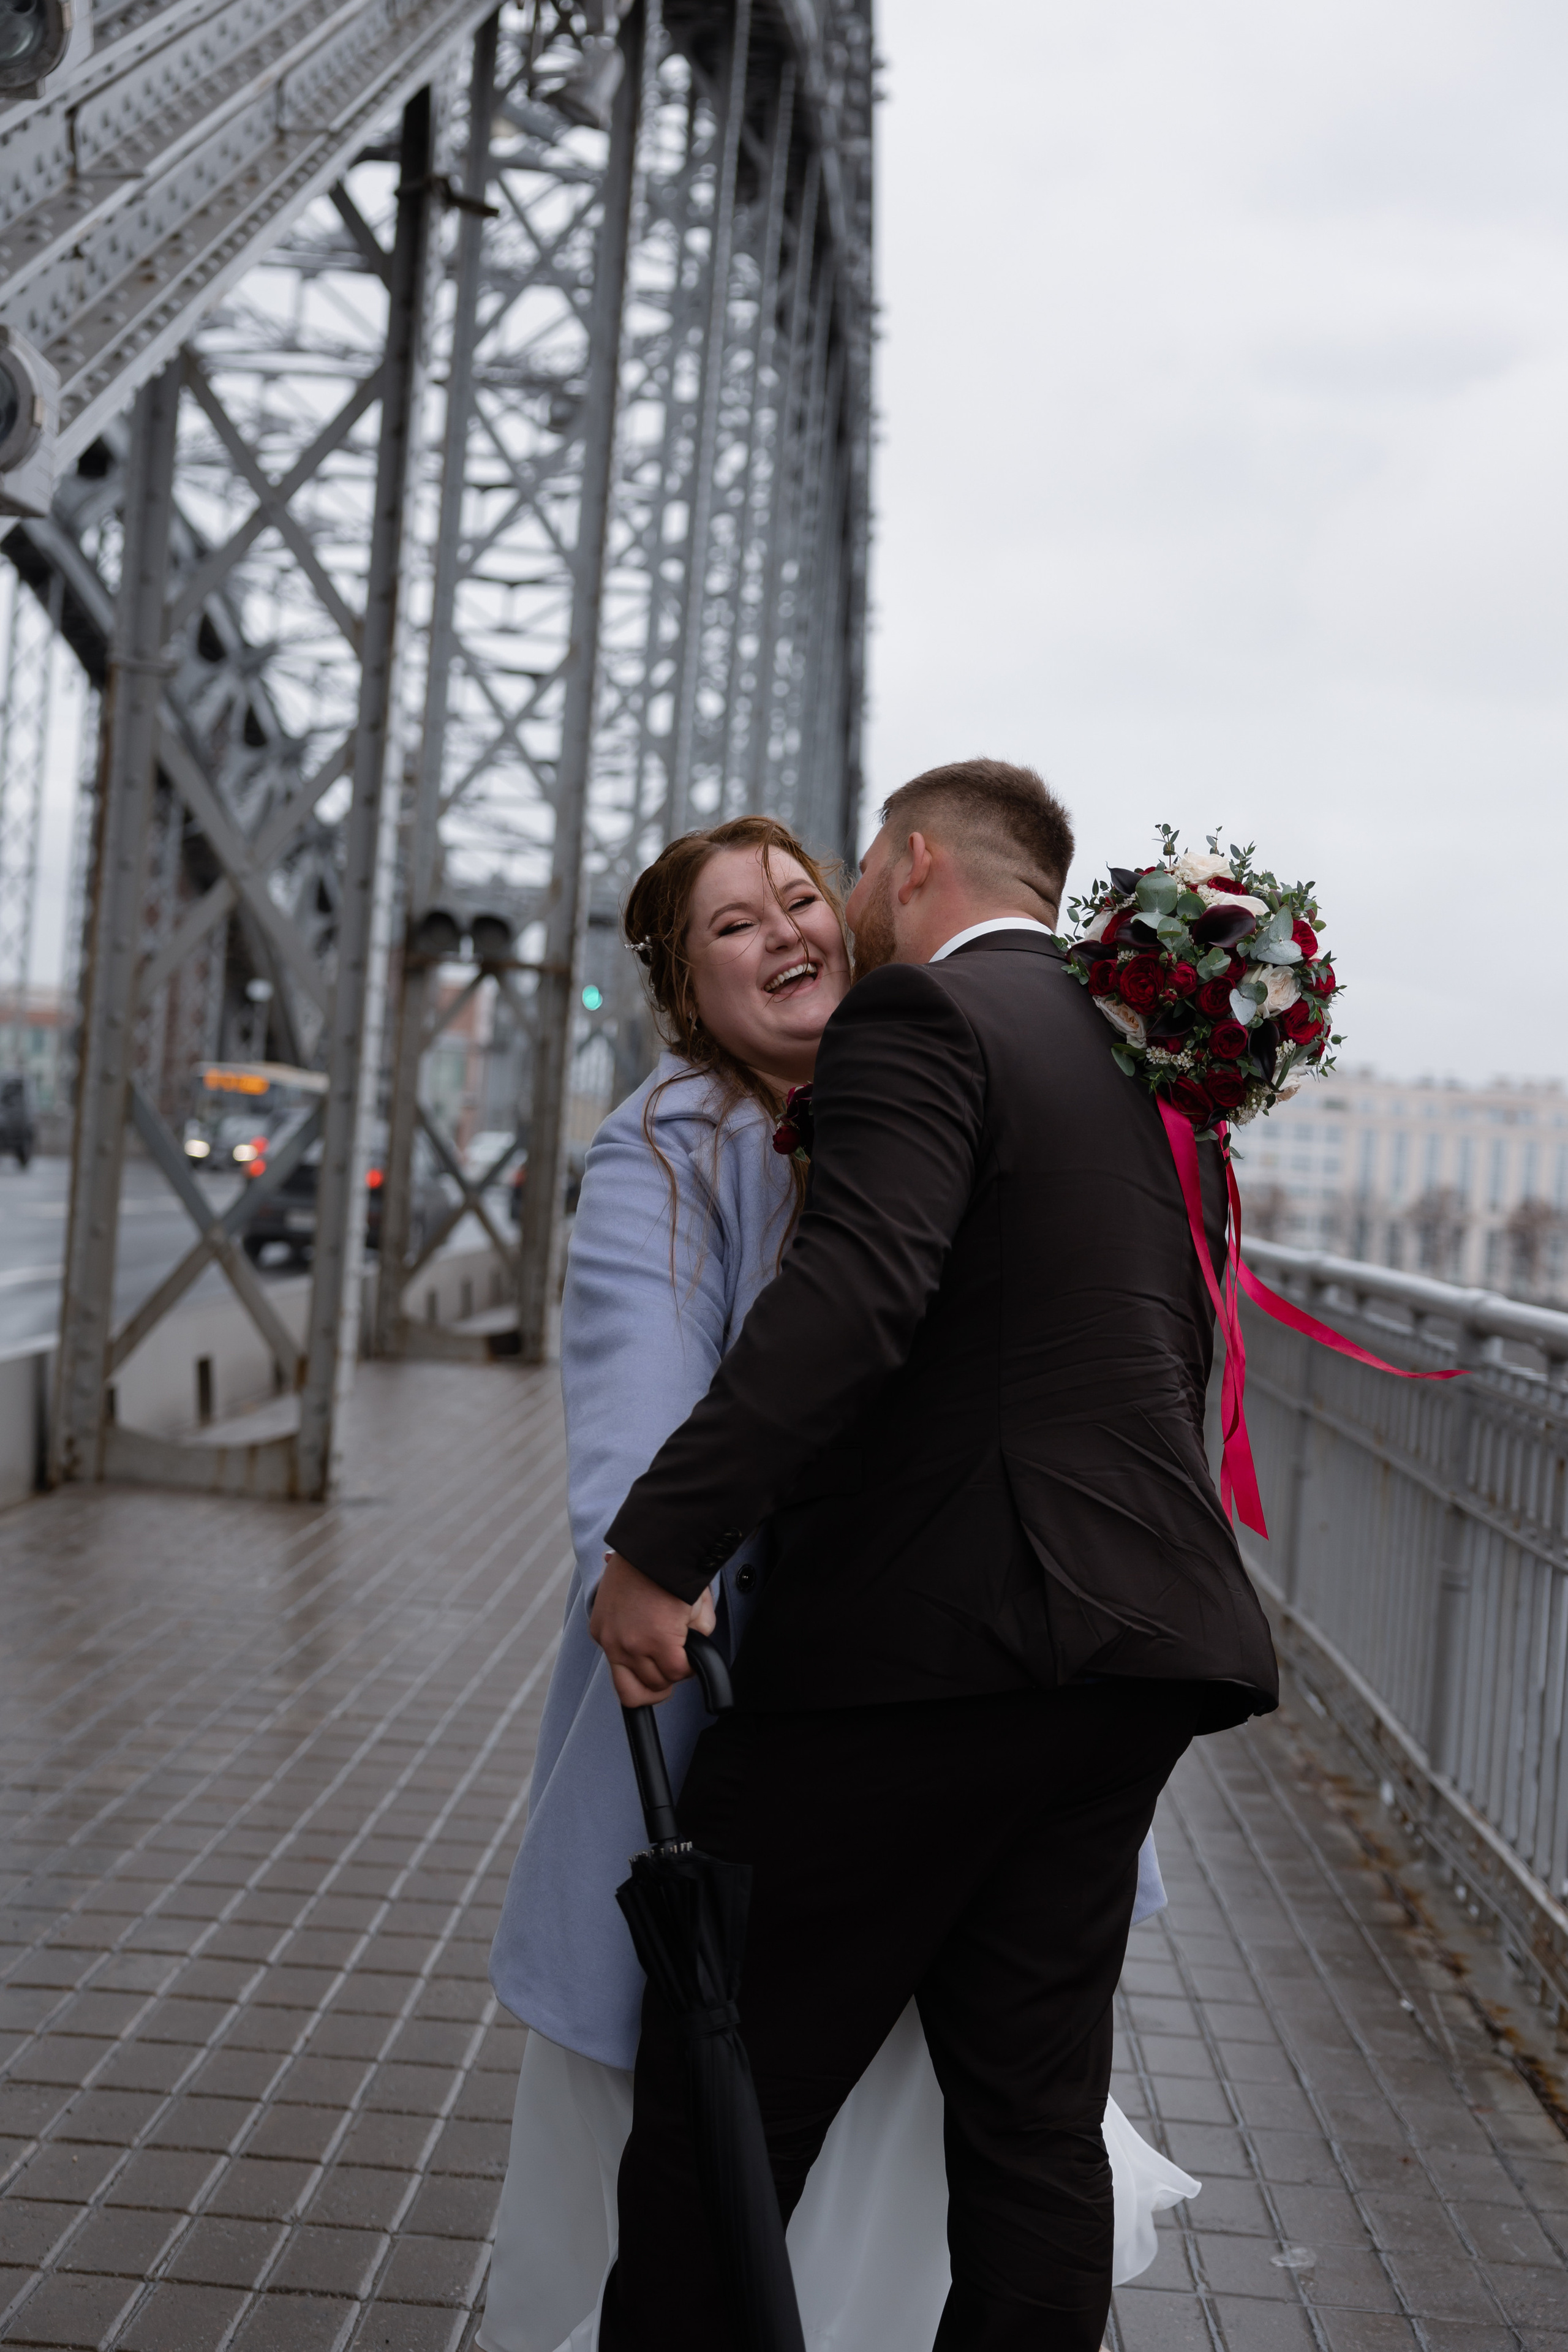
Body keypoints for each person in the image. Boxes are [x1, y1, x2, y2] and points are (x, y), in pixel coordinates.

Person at [480, 808, 1197, 2352]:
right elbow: (631, 1391)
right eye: (731, 928)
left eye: (798, 899)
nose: (785, 935)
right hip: (787, 1674)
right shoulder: (675, 1143)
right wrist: (650, 1561)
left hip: (942, 1677)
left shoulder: (944, 1063)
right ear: (685, 990)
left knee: (959, 2124)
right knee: (781, 2112)